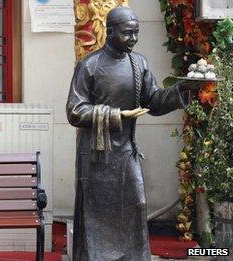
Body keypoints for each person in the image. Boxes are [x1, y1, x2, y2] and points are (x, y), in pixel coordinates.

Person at [66, 6, 202, 261]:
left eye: (136, 33)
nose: (133, 38)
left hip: (126, 150)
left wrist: (182, 90)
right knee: (97, 212)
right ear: (110, 31)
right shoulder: (90, 65)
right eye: (128, 33)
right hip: (96, 154)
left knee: (137, 204)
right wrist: (117, 115)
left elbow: (153, 101)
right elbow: (74, 111)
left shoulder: (138, 63)